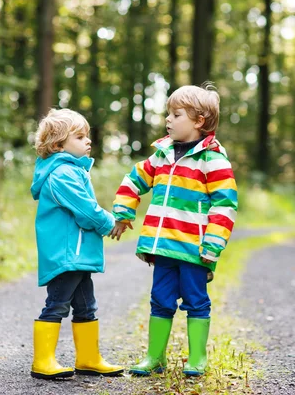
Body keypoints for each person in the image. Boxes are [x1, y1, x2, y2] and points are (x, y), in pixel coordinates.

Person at [109, 83, 238, 376]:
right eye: (168, 113)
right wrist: (123, 212)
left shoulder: (213, 160)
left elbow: (225, 205)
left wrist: (214, 242)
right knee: (160, 299)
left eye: (176, 114)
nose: (168, 119)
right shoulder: (161, 155)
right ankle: (155, 357)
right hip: (162, 245)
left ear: (198, 120)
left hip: (195, 248)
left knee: (196, 300)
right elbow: (134, 180)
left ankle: (197, 359)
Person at [29, 108, 125, 379]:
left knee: (86, 306)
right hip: (66, 254)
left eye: (88, 136)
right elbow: (85, 210)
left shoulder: (72, 170)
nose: (88, 141)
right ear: (58, 144)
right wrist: (110, 222)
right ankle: (43, 361)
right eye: (80, 136)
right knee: (57, 304)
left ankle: (88, 358)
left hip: (77, 254)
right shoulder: (62, 174)